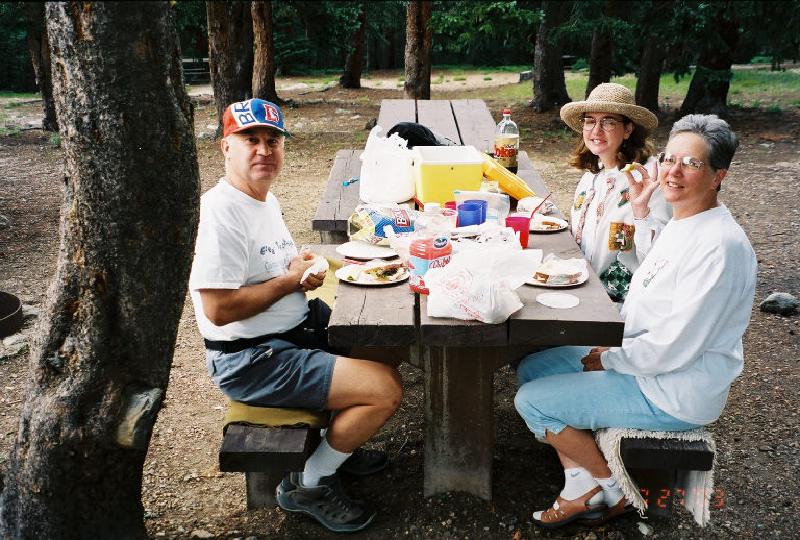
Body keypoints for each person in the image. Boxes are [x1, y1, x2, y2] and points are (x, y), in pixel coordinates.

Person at [514, 114, 756, 528]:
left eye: (692, 164)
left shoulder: (720, 246)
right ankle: (580, 479)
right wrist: (642, 212)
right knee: (532, 368)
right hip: (641, 358)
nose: (673, 172)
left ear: (718, 176)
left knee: (531, 402)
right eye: (670, 158)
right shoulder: (688, 219)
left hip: (672, 389)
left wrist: (607, 359)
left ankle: (611, 488)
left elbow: (675, 349)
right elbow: (654, 266)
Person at [188, 98, 402, 534]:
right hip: (252, 358)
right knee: (384, 390)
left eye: (273, 140)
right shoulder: (220, 213)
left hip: (294, 331)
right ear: (225, 147)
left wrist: (298, 271)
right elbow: (219, 308)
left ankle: (339, 443)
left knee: (390, 338)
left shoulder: (263, 200)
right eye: (250, 140)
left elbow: (273, 270)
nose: (264, 150)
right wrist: (288, 283)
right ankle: (310, 483)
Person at [560, 83, 671, 301]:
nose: (596, 130)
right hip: (582, 294)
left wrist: (641, 214)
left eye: (608, 122)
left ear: (628, 129)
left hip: (625, 310)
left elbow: (661, 257)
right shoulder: (590, 178)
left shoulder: (649, 179)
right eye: (589, 121)